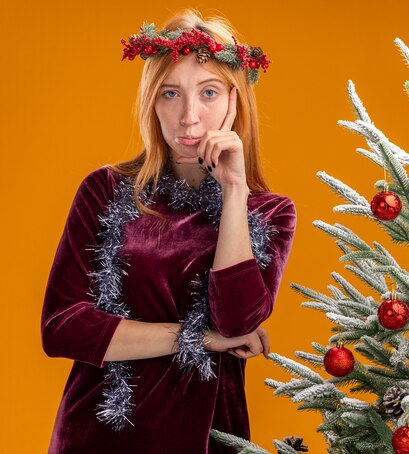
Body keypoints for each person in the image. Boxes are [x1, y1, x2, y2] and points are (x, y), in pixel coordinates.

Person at [40, 8, 296, 453]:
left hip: (208, 435)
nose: (189, 117)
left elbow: (237, 319)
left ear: (235, 101)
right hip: (99, 435)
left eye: (210, 92)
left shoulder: (270, 213)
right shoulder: (105, 189)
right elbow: (62, 327)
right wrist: (200, 339)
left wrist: (234, 192)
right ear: (151, 101)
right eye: (171, 93)